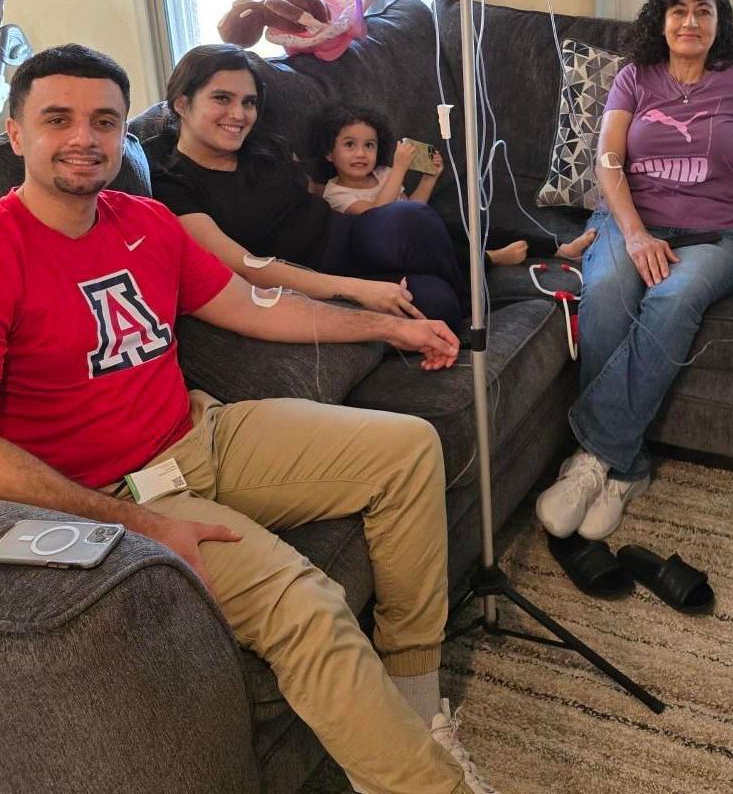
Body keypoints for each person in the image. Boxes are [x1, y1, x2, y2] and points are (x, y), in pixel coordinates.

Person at [0, 43, 497, 794]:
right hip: (123, 493)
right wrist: (130, 525)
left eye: (105, 120)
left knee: (407, 447)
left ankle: (413, 708)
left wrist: (387, 326)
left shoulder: (146, 220)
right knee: (308, 605)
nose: (84, 138)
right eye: (57, 119)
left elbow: (251, 306)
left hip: (199, 435)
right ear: (15, 133)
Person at [536, 0, 733, 541]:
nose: (690, 21)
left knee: (673, 298)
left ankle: (589, 456)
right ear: (661, 20)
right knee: (607, 292)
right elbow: (608, 160)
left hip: (717, 236)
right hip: (630, 222)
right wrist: (632, 233)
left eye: (703, 11)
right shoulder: (635, 77)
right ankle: (624, 467)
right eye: (679, 10)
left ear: (718, 22)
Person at [145, 45, 468, 333]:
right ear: (182, 104)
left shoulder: (261, 145)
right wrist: (355, 289)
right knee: (436, 303)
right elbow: (244, 267)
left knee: (409, 218)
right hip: (311, 276)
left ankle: (473, 298)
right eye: (221, 98)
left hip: (350, 234)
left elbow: (311, 189)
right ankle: (469, 286)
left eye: (249, 102)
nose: (239, 114)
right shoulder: (170, 183)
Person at [311, 102, 596, 265]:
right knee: (445, 253)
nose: (361, 153)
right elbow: (378, 216)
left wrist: (429, 178)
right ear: (328, 152)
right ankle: (491, 260)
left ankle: (560, 248)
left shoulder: (384, 173)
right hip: (400, 249)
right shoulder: (337, 193)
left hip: (422, 228)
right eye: (350, 145)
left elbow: (413, 208)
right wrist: (400, 168)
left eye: (369, 145)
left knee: (478, 228)